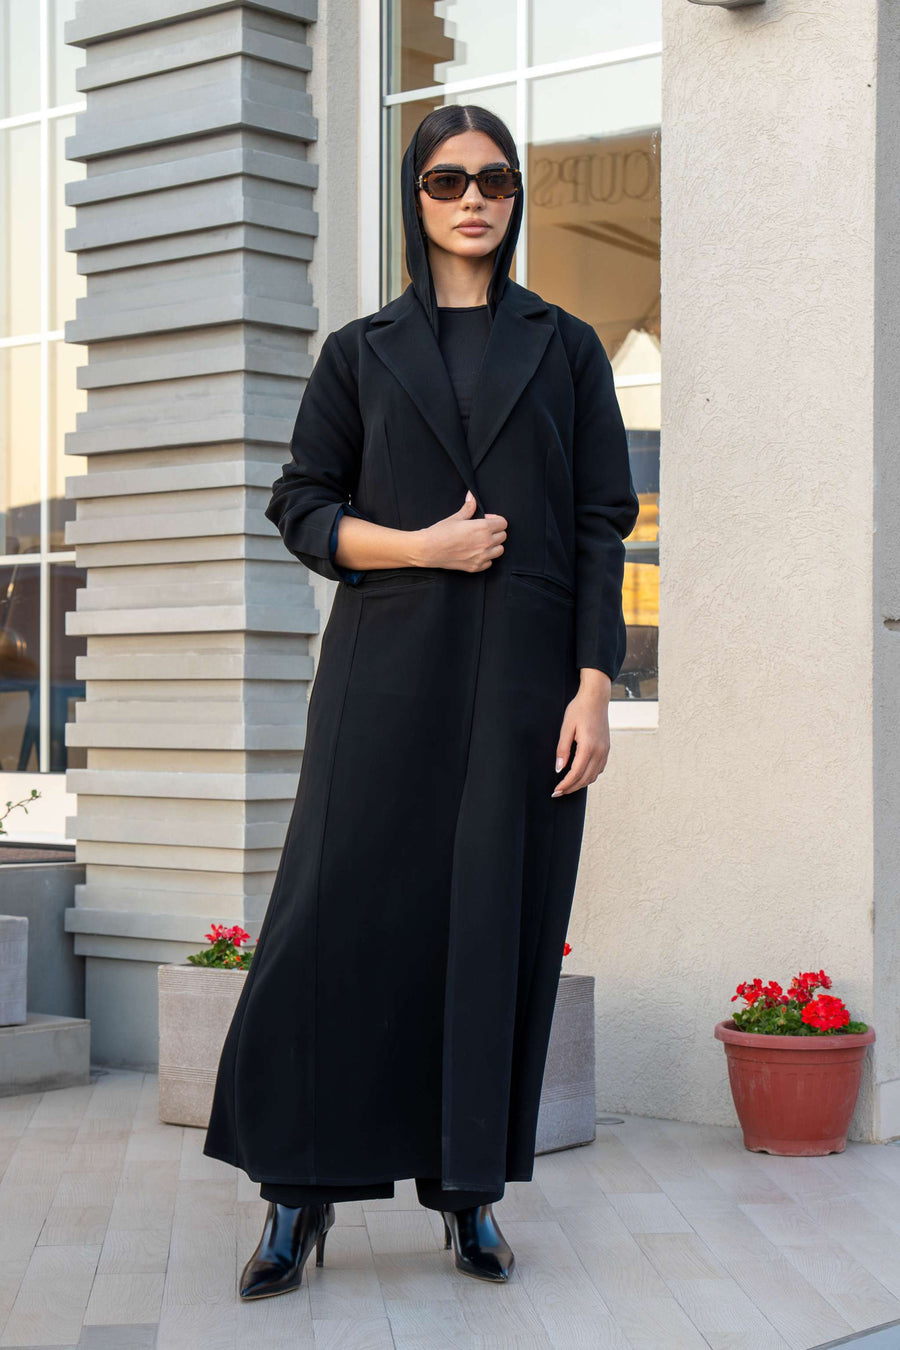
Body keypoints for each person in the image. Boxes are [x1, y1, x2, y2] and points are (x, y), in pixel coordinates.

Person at [202, 103, 640, 1300]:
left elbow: (602, 523)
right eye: (448, 180)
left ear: (514, 196)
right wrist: (420, 548)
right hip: (384, 673)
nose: (473, 199)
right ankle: (297, 1195)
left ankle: (468, 1195)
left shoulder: (566, 348)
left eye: (494, 179)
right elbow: (301, 504)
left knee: (489, 927)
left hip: (525, 686)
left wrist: (595, 685)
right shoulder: (360, 351)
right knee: (328, 927)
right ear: (417, 196)